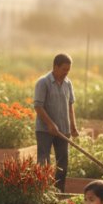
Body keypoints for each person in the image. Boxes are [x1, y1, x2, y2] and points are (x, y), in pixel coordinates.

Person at [34, 53, 77, 191]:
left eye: (68, 70)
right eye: (64, 69)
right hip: (44, 130)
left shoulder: (68, 83)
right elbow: (38, 106)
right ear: (55, 67)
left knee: (62, 162)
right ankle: (42, 190)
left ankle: (59, 191)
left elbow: (70, 105)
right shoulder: (43, 82)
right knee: (44, 160)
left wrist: (73, 126)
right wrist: (50, 124)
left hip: (63, 130)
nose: (66, 73)